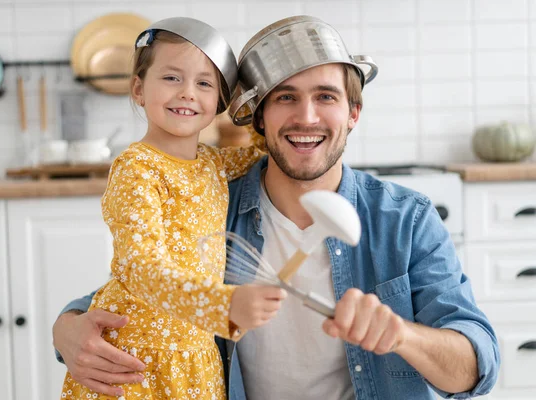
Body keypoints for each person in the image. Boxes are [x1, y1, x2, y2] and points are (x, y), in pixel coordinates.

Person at [54, 15, 500, 400]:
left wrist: (402, 334)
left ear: (353, 113)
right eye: (286, 97)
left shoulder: (405, 219)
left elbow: (476, 366)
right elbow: (141, 279)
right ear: (259, 120)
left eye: (326, 96)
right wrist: (67, 327)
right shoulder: (216, 199)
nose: (306, 117)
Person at [59, 17, 288, 400]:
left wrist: (249, 105)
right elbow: (140, 266)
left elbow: (265, 148)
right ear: (138, 88)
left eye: (204, 83)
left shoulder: (214, 163)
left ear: (219, 102)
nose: (187, 93)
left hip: (196, 355)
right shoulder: (136, 168)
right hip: (135, 357)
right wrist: (222, 305)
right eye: (171, 78)